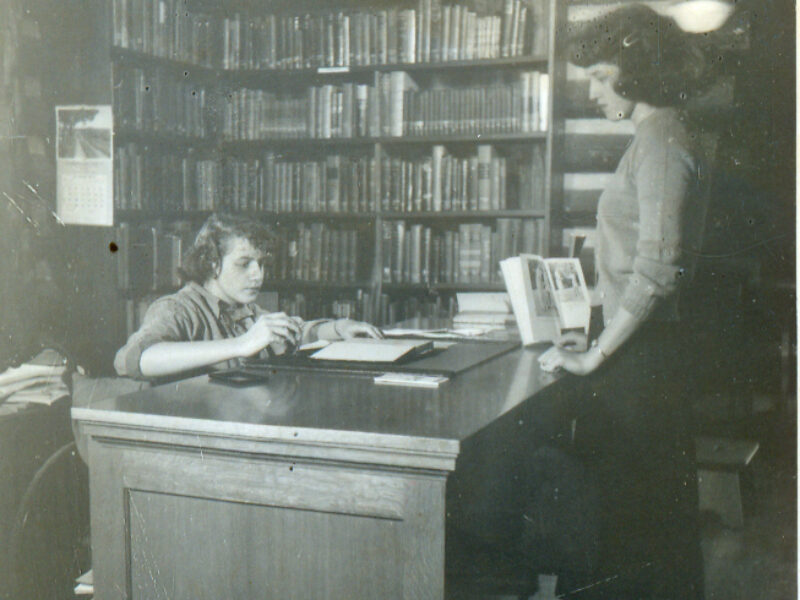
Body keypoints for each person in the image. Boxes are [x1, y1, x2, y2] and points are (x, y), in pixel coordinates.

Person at [533, 5, 715, 599]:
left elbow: (658, 268)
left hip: (647, 368)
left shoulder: (662, 140)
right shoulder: (654, 137)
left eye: (600, 76)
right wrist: (599, 334)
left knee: (637, 535)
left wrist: (595, 358)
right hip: (638, 355)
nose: (590, 90)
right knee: (629, 529)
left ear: (636, 73)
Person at [114, 213, 382, 380]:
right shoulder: (176, 308)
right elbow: (138, 359)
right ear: (212, 264)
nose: (258, 275)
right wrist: (242, 344)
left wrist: (338, 327)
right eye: (244, 264)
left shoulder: (246, 310)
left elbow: (297, 331)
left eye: (261, 264)